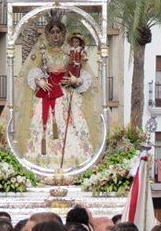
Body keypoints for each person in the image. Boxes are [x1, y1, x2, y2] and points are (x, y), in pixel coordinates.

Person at [14, 13, 100, 169]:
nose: (55, 35)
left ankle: (71, 163)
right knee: (40, 123)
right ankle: (40, 162)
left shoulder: (70, 53)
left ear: (62, 34)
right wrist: (38, 80)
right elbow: (31, 70)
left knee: (72, 124)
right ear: (47, 35)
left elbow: (81, 72)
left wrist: (76, 80)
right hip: (46, 92)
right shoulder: (42, 52)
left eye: (58, 32)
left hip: (65, 94)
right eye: (52, 32)